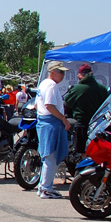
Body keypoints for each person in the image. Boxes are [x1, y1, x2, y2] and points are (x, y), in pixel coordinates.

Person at [35, 62, 71, 199]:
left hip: (45, 122)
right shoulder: (51, 85)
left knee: (49, 157)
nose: (63, 75)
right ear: (52, 72)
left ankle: (44, 187)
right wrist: (63, 119)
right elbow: (49, 105)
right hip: (50, 122)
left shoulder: (44, 83)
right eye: (61, 72)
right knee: (51, 156)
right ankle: (46, 188)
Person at [63, 63, 108, 156]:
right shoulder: (102, 88)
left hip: (81, 124)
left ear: (80, 74)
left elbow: (67, 104)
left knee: (81, 152)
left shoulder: (77, 88)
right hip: (97, 125)